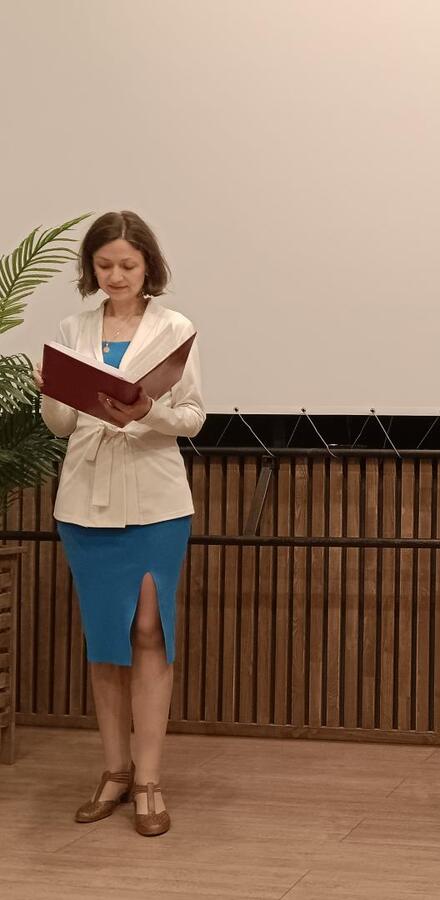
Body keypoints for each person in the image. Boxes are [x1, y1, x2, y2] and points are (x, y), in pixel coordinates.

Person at [37, 211, 205, 836]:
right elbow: (60, 426)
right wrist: (51, 392)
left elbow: (191, 418)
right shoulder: (71, 328)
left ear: (148, 266)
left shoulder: (174, 328)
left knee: (147, 631)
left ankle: (150, 779)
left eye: (127, 266)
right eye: (104, 265)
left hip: (156, 504)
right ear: (92, 268)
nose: (115, 276)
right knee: (105, 638)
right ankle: (113, 770)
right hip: (84, 503)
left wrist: (146, 410)